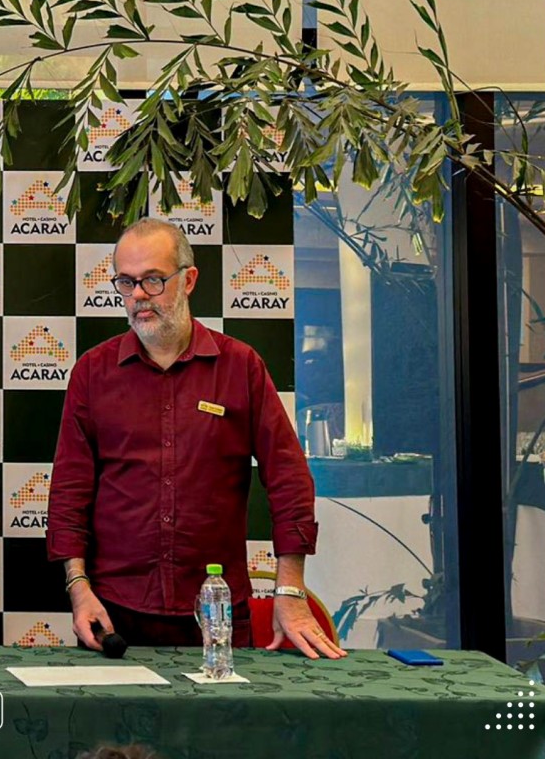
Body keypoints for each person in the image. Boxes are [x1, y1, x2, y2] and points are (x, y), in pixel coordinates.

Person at [47, 218, 345, 659]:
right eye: (126, 283)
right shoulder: (93, 372)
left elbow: (289, 479)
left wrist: (291, 589)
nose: (139, 296)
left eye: (153, 279)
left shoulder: (241, 366)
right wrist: (78, 588)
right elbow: (70, 489)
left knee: (227, 729)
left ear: (189, 280)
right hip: (115, 615)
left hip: (217, 609)